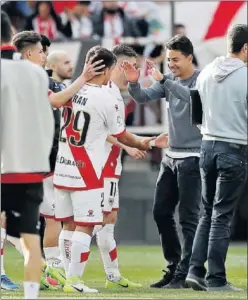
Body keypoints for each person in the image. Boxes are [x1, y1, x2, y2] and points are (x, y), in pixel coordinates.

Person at [53, 45, 156, 293]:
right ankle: (74, 280)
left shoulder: (71, 91)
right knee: (86, 225)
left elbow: (55, 102)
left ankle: (74, 277)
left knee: (69, 224)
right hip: (88, 167)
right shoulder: (105, 98)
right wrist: (146, 142)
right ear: (109, 68)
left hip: (63, 164)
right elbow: (119, 133)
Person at [123, 35, 202, 289]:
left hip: (193, 156)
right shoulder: (170, 79)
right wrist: (134, 83)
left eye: (176, 60)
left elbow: (194, 99)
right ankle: (174, 266)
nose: (171, 65)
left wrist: (165, 80)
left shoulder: (202, 79)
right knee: (160, 212)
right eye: (168, 60)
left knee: (189, 217)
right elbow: (143, 97)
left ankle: (186, 272)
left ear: (190, 57)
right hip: (171, 157)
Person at [186, 24, 247, 292]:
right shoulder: (245, 76)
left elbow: (195, 115)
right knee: (222, 216)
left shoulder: (207, 71)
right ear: (245, 48)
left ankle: (195, 271)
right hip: (234, 149)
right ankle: (216, 279)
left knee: (206, 214)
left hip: (207, 147)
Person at [1, 11, 54, 299]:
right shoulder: (36, 73)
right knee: (31, 238)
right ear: (11, 34)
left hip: (4, 164)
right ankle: (31, 295)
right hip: (30, 166)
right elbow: (46, 121)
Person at [97, 44, 147, 289]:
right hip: (99, 165)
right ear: (120, 65)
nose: (135, 73)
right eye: (133, 67)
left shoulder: (114, 92)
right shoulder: (105, 92)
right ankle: (67, 274)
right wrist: (133, 144)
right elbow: (99, 131)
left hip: (109, 164)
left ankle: (112, 276)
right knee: (93, 222)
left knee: (107, 219)